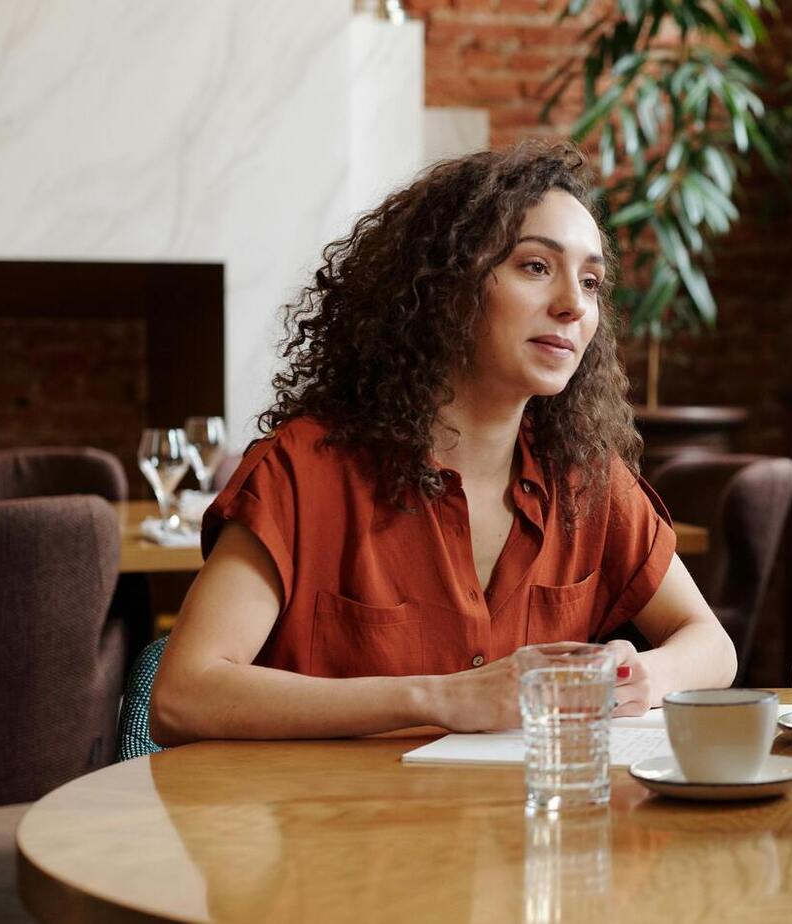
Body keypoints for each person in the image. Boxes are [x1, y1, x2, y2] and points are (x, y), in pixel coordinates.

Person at [151, 143, 736, 745]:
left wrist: (647, 673)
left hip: (525, 828)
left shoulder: (583, 478)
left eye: (591, 282)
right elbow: (182, 695)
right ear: (445, 287)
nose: (573, 305)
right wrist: (439, 696)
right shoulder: (304, 470)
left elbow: (712, 645)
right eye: (536, 267)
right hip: (332, 829)